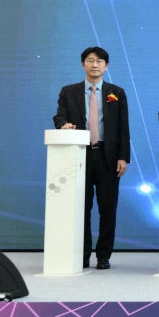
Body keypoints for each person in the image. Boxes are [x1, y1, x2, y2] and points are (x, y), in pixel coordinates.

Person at [54, 46, 130, 270]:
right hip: (80, 155)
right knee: (81, 208)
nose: (94, 64)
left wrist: (123, 157)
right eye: (90, 60)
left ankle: (104, 256)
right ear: (83, 64)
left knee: (108, 209)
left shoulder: (117, 92)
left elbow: (123, 127)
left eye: (99, 61)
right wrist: (63, 125)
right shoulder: (69, 91)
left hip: (109, 157)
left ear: (106, 66)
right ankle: (83, 254)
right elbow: (59, 116)